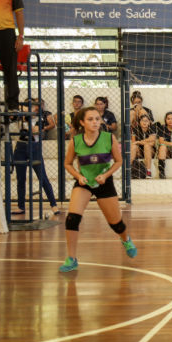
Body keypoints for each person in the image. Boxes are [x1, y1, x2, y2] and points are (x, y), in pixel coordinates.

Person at [59, 106, 136, 272]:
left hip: (104, 182)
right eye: (90, 119)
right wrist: (78, 176)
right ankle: (71, 258)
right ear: (82, 122)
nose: (95, 122)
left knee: (116, 224)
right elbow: (67, 163)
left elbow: (118, 161)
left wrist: (106, 175)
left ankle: (125, 239)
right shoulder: (75, 141)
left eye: (97, 119)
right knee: (72, 218)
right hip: (84, 182)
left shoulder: (109, 138)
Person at [12, 99, 59, 217]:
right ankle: (21, 207)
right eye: (27, 107)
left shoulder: (40, 117)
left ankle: (54, 205)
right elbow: (11, 117)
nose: (30, 109)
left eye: (31, 107)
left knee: (43, 177)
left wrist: (27, 118)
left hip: (34, 148)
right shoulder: (20, 116)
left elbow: (35, 131)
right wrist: (21, 113)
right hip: (20, 147)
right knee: (20, 179)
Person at [131, 114, 156, 178]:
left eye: (146, 121)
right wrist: (146, 141)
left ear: (149, 122)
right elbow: (134, 142)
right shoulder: (135, 129)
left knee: (147, 146)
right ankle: (129, 169)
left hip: (150, 151)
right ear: (139, 122)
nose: (144, 122)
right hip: (139, 151)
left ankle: (148, 171)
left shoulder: (152, 128)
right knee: (133, 146)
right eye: (142, 120)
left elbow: (152, 142)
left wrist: (139, 142)